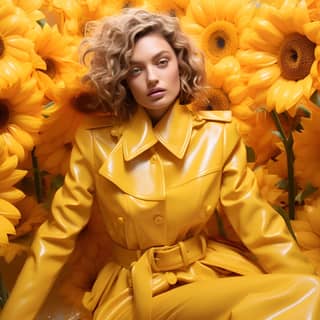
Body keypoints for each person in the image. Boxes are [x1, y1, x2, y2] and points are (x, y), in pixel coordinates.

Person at [1, 8, 320, 320]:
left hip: (206, 276)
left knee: (306, 292)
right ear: (122, 80)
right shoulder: (95, 142)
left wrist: (306, 285)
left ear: (180, 66)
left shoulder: (216, 136)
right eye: (136, 70)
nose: (152, 77)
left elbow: (258, 226)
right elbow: (55, 238)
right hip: (132, 291)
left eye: (162, 62)